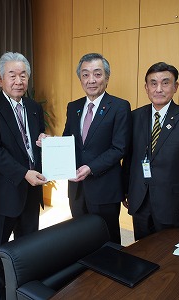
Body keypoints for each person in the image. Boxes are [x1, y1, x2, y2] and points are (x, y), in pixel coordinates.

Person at [0, 52, 47, 300]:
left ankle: (21, 290)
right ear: (0, 79)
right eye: (12, 75)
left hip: (31, 192)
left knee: (27, 247)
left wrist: (44, 144)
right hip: (3, 192)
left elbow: (34, 144)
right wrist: (24, 173)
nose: (18, 81)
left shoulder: (34, 107)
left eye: (23, 75)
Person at [123, 61, 179, 241]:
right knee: (142, 251)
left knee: (170, 257)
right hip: (140, 201)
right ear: (146, 88)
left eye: (165, 82)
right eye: (153, 83)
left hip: (174, 205)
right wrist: (125, 190)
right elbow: (129, 158)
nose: (158, 89)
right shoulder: (135, 116)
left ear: (175, 87)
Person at [62, 53, 132, 244]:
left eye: (97, 74)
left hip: (104, 187)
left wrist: (91, 167)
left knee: (107, 238)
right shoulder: (73, 107)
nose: (91, 80)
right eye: (85, 74)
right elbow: (68, 141)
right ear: (80, 79)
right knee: (81, 237)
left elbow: (119, 148)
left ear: (107, 78)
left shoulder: (119, 106)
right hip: (77, 188)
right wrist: (49, 142)